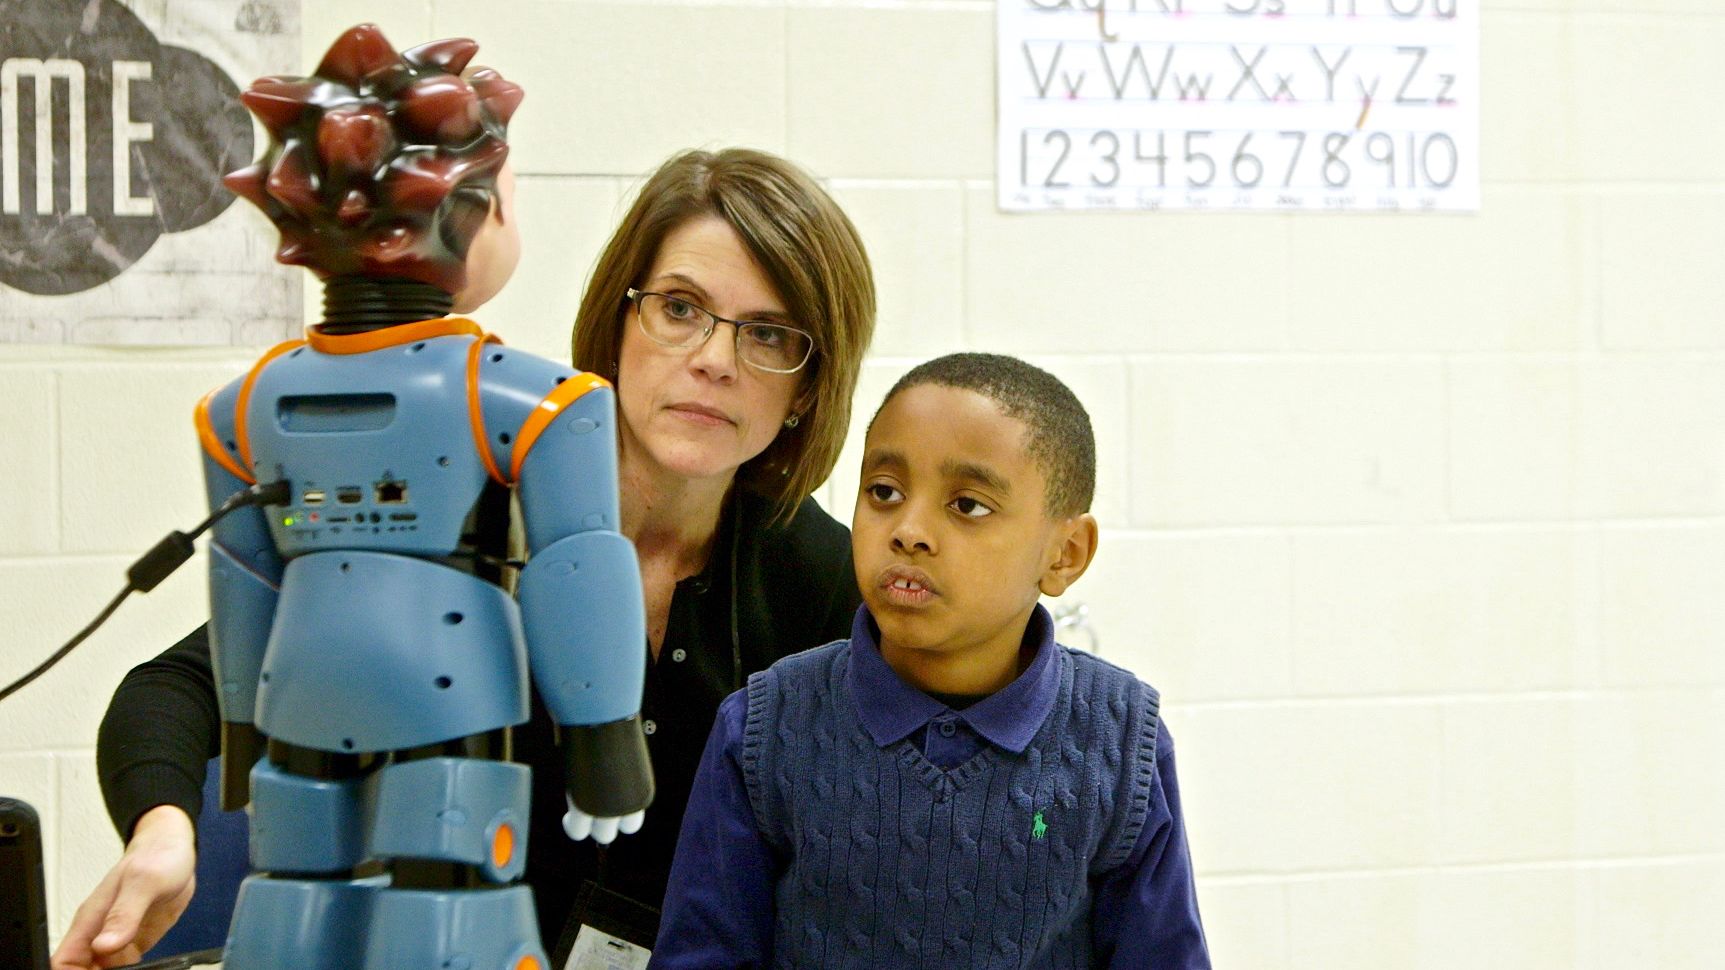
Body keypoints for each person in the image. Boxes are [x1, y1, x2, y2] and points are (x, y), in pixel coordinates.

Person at [52, 141, 876, 968]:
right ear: (618, 322)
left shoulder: (823, 578)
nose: (713, 360)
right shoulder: (463, 496)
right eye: (679, 308)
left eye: (768, 334)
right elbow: (177, 686)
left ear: (807, 386)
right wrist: (162, 830)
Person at [651, 353, 1211, 969]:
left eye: (967, 505)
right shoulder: (765, 727)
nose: (909, 530)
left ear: (1065, 554)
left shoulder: (1121, 739)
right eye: (884, 492)